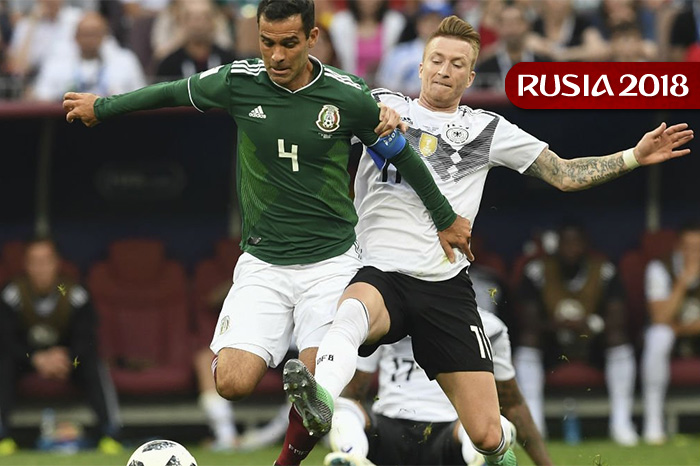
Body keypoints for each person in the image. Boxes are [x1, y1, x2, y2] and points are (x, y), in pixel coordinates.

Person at [63, 0, 472, 462]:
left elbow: (402, 154)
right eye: (267, 42)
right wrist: (104, 107)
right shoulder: (239, 81)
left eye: (289, 43)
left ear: (312, 38)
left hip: (331, 263)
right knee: (231, 382)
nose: (276, 56)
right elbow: (171, 91)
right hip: (263, 262)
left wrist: (444, 217)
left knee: (319, 387)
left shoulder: (347, 95)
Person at [277, 13, 693, 466]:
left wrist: (634, 156)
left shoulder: (488, 130)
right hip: (380, 272)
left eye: (457, 64)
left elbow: (563, 174)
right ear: (421, 66)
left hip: (443, 286)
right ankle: (321, 397)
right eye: (437, 59)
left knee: (488, 435)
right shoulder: (380, 106)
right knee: (352, 310)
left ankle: (497, 454)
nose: (444, 70)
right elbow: (318, 113)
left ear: (471, 76)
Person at [324, 309, 552, 466]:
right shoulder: (384, 319)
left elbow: (511, 403)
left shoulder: (489, 327)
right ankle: (352, 456)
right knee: (343, 408)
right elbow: (354, 392)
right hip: (388, 434)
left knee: (496, 423)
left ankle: (481, 460)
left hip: (452, 435)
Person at [514, 221, 639, 446]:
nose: (571, 249)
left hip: (592, 340)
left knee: (618, 339)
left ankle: (621, 422)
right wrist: (557, 325)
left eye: (576, 243)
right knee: (528, 340)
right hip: (552, 340)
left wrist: (590, 324)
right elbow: (527, 320)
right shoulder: (537, 270)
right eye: (566, 243)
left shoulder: (604, 269)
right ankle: (534, 424)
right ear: (557, 245)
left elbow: (618, 317)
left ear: (586, 245)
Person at [0, 238, 122, 456]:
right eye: (35, 262)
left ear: (57, 263)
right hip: (25, 359)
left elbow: (87, 338)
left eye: (46, 261)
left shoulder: (72, 292)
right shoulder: (12, 293)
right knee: (4, 363)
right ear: (26, 264)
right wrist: (35, 358)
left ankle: (109, 433)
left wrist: (66, 356)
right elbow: (6, 340)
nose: (41, 268)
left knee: (93, 363)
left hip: (68, 360)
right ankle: (2, 437)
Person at [641, 219, 700, 445]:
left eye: (698, 248)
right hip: (670, 340)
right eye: (688, 248)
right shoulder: (659, 268)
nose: (694, 254)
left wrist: (681, 327)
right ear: (677, 247)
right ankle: (653, 423)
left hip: (690, 334)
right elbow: (660, 318)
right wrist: (683, 282)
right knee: (659, 336)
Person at [29, 10, 145, 101]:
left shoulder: (125, 61)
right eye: (85, 34)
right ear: (75, 36)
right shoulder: (56, 62)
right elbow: (41, 97)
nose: (90, 40)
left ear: (104, 36)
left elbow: (140, 96)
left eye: (95, 34)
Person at [374, 2, 451, 97]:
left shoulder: (457, 55)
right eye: (428, 21)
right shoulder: (398, 54)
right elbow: (386, 89)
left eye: (438, 21)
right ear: (418, 23)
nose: (432, 26)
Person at [473, 3, 549, 91]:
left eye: (517, 23)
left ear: (527, 26)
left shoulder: (544, 63)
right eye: (507, 24)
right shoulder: (486, 68)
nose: (512, 29)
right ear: (498, 28)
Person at [154, 0, 236, 81]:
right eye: (192, 18)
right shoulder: (169, 65)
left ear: (213, 22)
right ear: (181, 21)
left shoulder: (228, 62)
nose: (198, 24)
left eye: (205, 17)